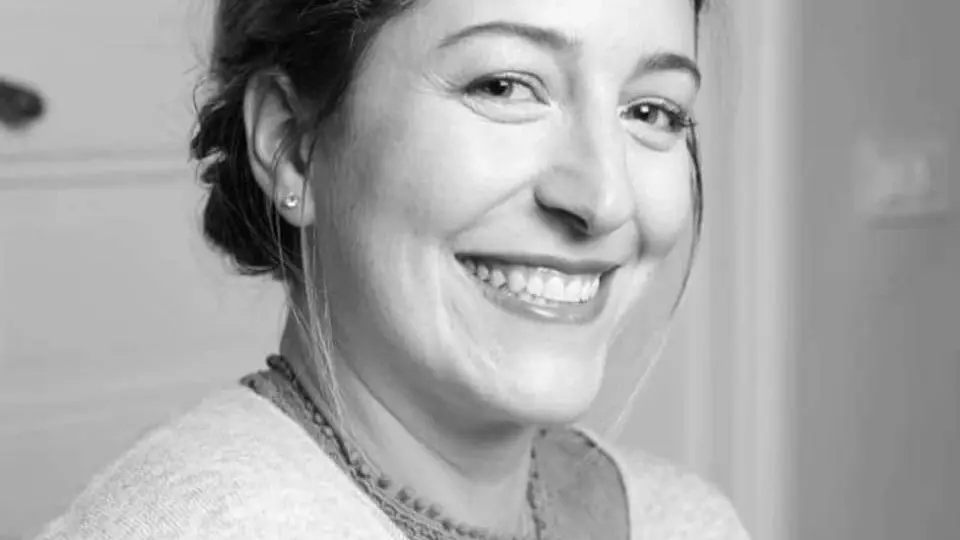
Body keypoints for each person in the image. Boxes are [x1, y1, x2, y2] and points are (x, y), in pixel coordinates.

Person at [35, 0, 751, 538]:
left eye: (653, 111)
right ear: (291, 146)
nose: (604, 198)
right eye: (504, 86)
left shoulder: (688, 521)